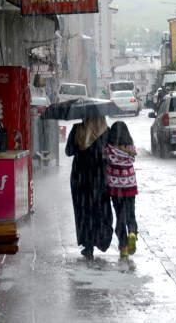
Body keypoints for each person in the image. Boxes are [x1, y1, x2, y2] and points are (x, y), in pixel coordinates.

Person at [65, 109, 113, 260]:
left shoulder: (77, 129)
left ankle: (88, 244)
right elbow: (111, 154)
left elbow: (68, 151)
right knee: (101, 209)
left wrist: (81, 142)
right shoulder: (106, 132)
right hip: (100, 177)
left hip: (80, 177)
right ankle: (102, 238)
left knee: (84, 211)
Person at [104, 121, 139, 259]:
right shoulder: (131, 149)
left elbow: (104, 160)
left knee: (119, 215)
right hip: (130, 185)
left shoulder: (109, 149)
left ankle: (123, 246)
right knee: (131, 212)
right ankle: (132, 232)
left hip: (115, 187)